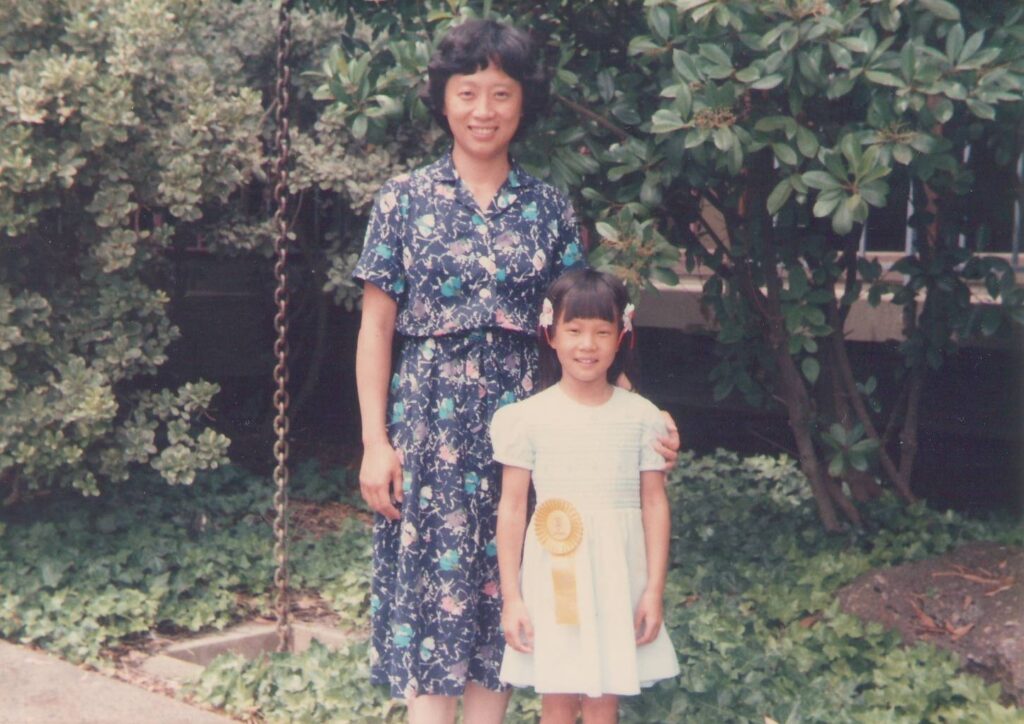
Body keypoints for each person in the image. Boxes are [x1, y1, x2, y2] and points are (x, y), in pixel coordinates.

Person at [354, 19, 678, 724]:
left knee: (508, 605)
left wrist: (638, 417)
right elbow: (376, 327)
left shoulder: (547, 207)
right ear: (443, 99)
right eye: (467, 92)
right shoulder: (402, 201)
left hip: (530, 441)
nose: (483, 111)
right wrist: (376, 442)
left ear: (522, 105)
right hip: (428, 437)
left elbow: (579, 322)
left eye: (500, 94)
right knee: (432, 617)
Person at [492, 269, 680, 724]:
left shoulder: (642, 418)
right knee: (556, 695)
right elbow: (514, 507)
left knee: (603, 699)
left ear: (622, 337)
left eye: (601, 332)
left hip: (617, 575)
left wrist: (653, 590)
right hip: (552, 577)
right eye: (573, 331)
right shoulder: (527, 418)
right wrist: (512, 596)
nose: (587, 345)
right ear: (550, 335)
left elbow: (654, 504)